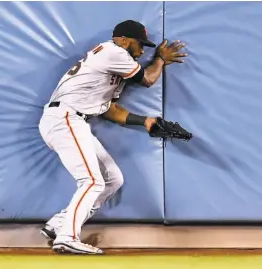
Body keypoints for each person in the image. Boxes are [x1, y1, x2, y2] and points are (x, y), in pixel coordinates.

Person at [38, 20, 187, 255]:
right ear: (124, 40)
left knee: (113, 179)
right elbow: (148, 79)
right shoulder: (112, 52)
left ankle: (59, 224)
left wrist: (145, 121)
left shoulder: (114, 65)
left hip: (72, 120)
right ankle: (67, 237)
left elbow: (110, 110)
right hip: (64, 118)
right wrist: (159, 59)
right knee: (92, 181)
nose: (142, 51)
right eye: (140, 45)